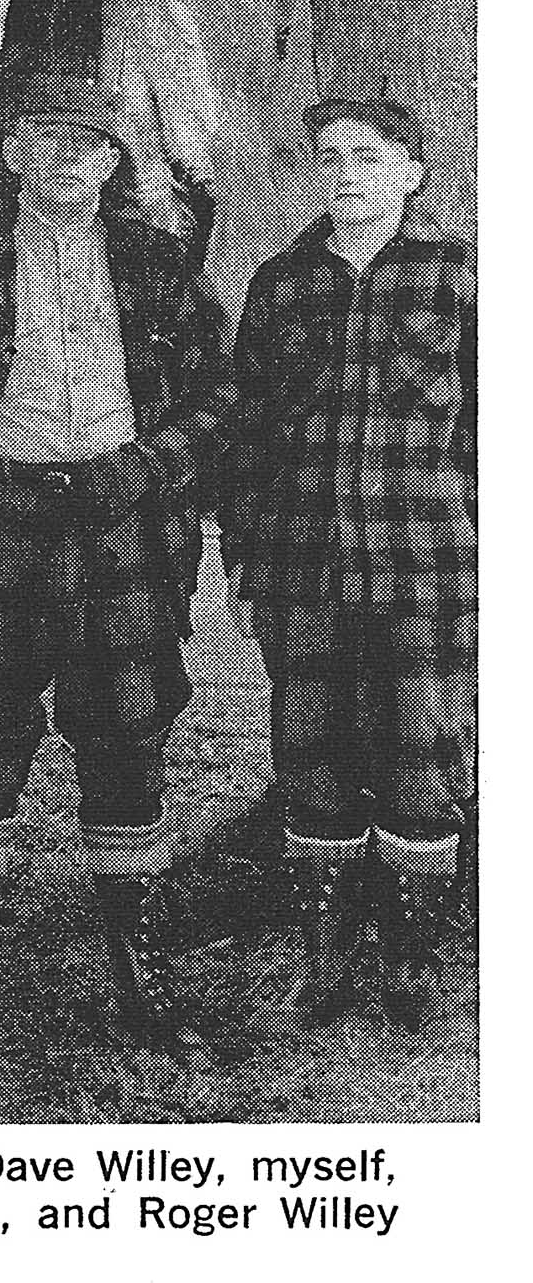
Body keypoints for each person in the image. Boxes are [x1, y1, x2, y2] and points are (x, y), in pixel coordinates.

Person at [0, 65, 230, 1071]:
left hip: (121, 526)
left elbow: (221, 394)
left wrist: (149, 465)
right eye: (46, 138)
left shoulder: (155, 258)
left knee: (127, 744)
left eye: (88, 143)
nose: (68, 158)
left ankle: (140, 981)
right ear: (12, 152)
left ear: (113, 159)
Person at [221, 97, 474, 1030]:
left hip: (427, 567)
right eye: (330, 157)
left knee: (423, 761)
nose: (348, 174)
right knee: (313, 760)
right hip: (305, 568)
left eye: (368, 156)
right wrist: (245, 555)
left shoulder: (462, 275)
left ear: (411, 172)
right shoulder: (281, 282)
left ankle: (409, 965)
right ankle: (323, 963)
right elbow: (247, 433)